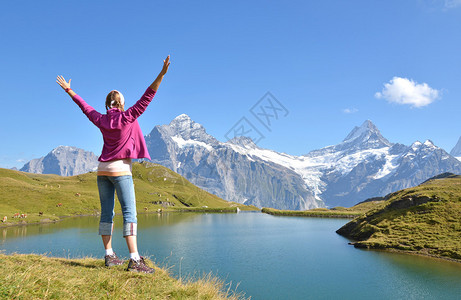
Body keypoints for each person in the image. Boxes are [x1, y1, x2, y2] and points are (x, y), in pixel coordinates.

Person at [56, 55, 170, 273]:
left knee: (106, 213)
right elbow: (149, 95)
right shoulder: (129, 117)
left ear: (107, 104)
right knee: (129, 213)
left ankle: (109, 255)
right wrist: (162, 74)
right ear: (122, 103)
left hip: (102, 171)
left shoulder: (101, 119)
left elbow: (84, 106)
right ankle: (135, 260)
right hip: (120, 170)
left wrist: (69, 91)